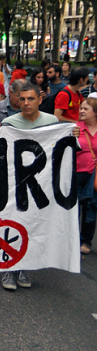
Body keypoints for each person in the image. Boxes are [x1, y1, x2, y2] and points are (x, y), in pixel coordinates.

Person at [1, 83, 79, 290]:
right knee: (14, 224)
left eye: (31, 99)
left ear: (40, 99)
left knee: (33, 225)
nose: (26, 103)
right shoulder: (8, 123)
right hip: (15, 185)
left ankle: (23, 267)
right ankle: (10, 268)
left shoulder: (52, 122)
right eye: (22, 99)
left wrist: (71, 135)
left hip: (42, 186)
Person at [76, 98, 97, 256]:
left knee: (91, 207)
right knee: (73, 209)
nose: (82, 111)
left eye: (86, 109)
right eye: (81, 108)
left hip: (94, 176)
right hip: (76, 173)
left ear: (95, 112)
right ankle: (72, 239)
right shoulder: (75, 128)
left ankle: (86, 241)